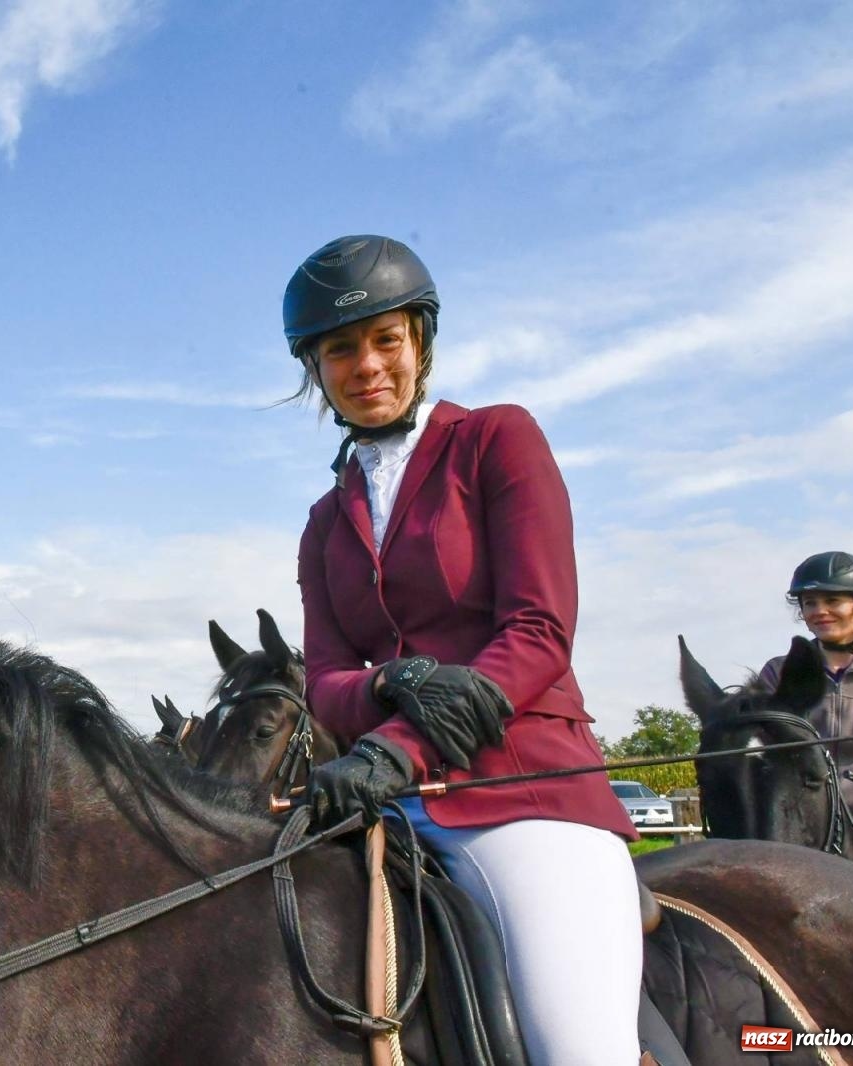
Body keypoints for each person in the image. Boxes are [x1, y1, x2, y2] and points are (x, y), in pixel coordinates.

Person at [285, 235, 643, 1064]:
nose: (367, 364)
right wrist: (391, 684)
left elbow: (539, 633)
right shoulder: (321, 523)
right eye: (342, 348)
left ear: (421, 343)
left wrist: (396, 749)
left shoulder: (498, 440)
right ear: (317, 368)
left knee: (581, 1051)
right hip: (377, 804)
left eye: (386, 339)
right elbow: (327, 681)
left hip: (524, 789)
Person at [760, 551, 853, 824]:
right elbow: (763, 745)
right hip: (801, 820)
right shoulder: (777, 673)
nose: (819, 611)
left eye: (832, 600)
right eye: (810, 603)